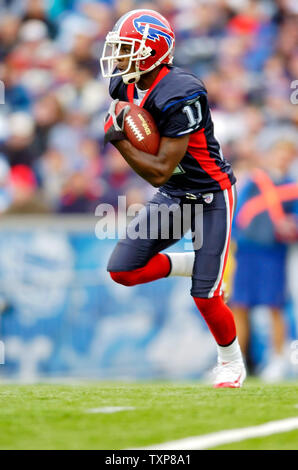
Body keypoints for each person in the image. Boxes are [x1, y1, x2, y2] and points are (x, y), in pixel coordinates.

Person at [100, 9, 246, 388]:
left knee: (206, 296)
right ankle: (190, 264)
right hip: (176, 194)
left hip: (210, 194)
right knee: (122, 270)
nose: (117, 57)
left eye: (126, 48)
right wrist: (121, 127)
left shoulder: (181, 90)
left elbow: (160, 168)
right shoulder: (124, 84)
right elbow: (162, 171)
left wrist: (117, 139)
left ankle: (230, 363)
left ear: (151, 52)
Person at [230, 140, 298, 381]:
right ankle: (236, 363)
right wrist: (237, 238)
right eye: (278, 153)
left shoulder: (293, 188)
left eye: (286, 154)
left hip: (274, 253)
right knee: (239, 306)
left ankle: (277, 360)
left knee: (274, 307)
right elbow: (238, 212)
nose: (281, 158)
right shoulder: (255, 181)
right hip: (248, 252)